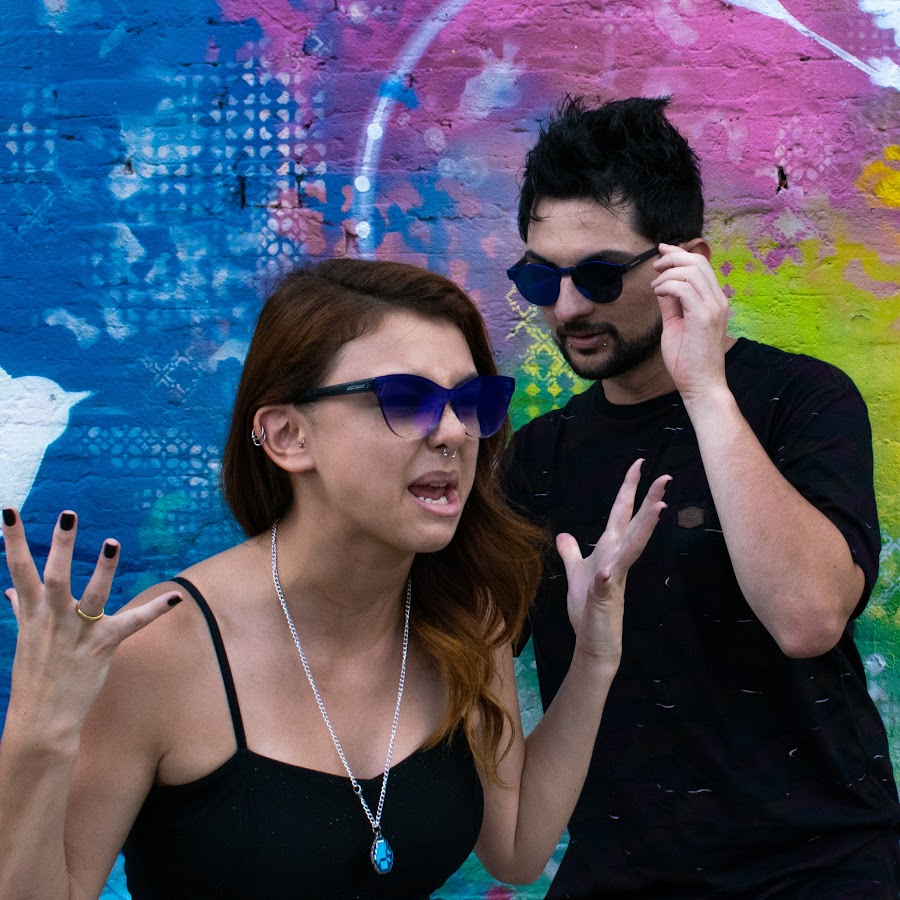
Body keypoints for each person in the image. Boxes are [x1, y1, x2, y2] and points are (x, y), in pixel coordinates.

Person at [0, 258, 668, 900]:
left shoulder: (465, 620)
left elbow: (517, 849)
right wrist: (38, 728)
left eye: (470, 401)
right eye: (406, 399)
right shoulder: (162, 648)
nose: (453, 433)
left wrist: (594, 659)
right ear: (287, 436)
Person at [503, 96, 900, 898]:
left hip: (815, 870)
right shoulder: (537, 458)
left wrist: (706, 392)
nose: (568, 307)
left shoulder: (800, 401)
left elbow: (808, 618)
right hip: (619, 873)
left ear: (685, 264)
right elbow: (450, 650)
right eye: (542, 276)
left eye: (600, 275)